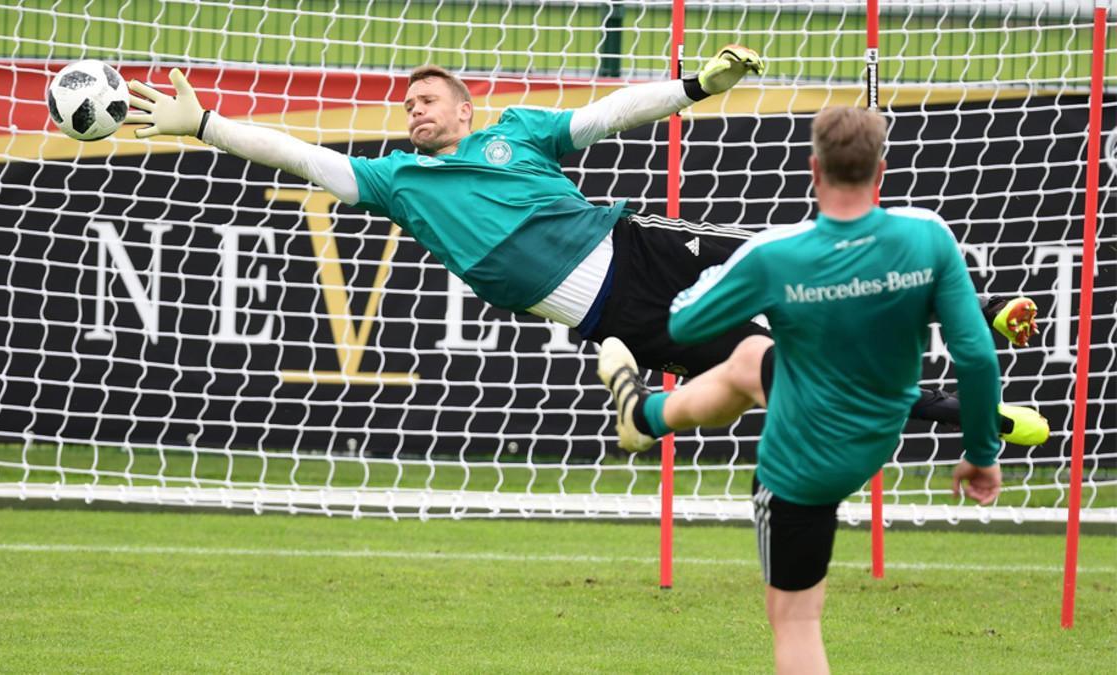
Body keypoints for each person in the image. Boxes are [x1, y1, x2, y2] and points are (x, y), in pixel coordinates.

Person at [122, 52, 1045, 444]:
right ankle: (964, 404)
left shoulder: (517, 134)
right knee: (783, 374)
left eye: (430, 99)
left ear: (468, 110)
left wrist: (688, 87)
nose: (414, 109)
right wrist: (206, 122)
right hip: (618, 315)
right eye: (408, 105)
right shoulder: (400, 183)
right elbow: (307, 155)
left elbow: (603, 116)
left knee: (803, 267)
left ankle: (966, 346)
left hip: (639, 253)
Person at [598, 106, 1005, 674]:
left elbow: (685, 323)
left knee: (795, 619)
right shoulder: (928, 236)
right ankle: (646, 417)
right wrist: (982, 454)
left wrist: (730, 270)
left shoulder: (778, 254)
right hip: (871, 437)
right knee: (750, 360)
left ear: (814, 170)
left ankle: (647, 415)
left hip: (801, 469)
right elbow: (978, 357)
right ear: (880, 170)